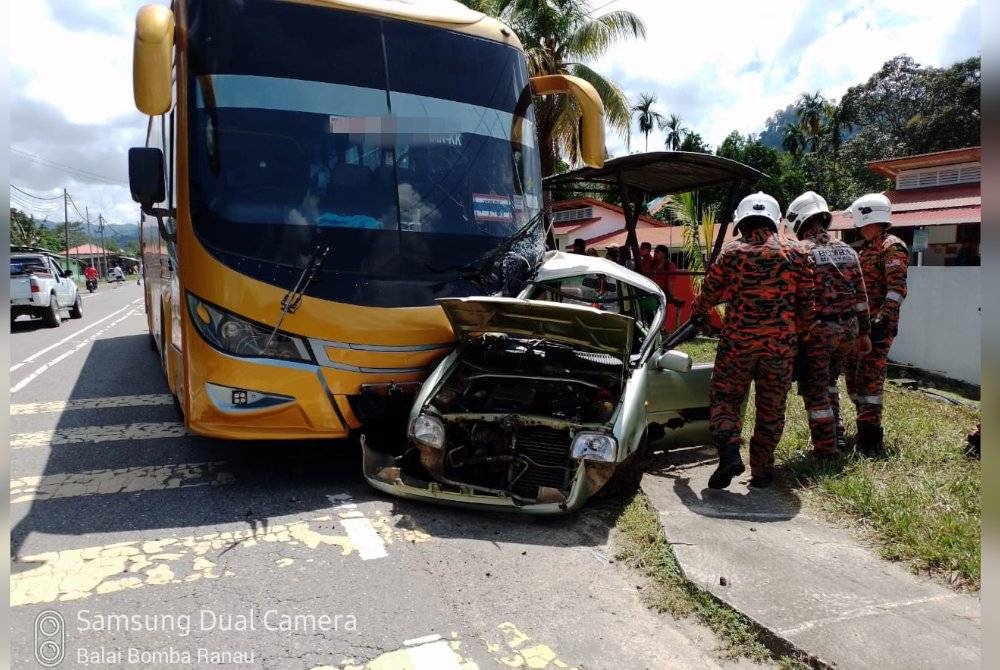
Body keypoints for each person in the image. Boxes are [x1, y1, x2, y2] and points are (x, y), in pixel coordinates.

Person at [691, 192, 816, 489]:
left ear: (741, 220)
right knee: (771, 407)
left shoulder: (732, 253)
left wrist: (701, 316)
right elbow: (807, 305)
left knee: (725, 399)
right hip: (781, 347)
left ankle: (730, 452)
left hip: (738, 345)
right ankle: (761, 471)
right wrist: (800, 344)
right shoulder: (798, 253)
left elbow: (707, 296)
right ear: (775, 219)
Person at [785, 191, 871, 457]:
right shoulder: (848, 250)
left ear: (799, 220)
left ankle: (825, 449)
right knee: (830, 382)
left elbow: (796, 299)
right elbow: (861, 297)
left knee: (815, 389)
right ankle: (837, 435)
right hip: (849, 329)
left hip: (818, 332)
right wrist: (864, 333)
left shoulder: (800, 251)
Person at [843, 193, 908, 457]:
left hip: (878, 329)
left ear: (868, 216)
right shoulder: (868, 247)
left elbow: (897, 289)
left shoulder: (892, 247)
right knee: (853, 377)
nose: (856, 225)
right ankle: (863, 423)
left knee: (870, 381)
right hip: (859, 327)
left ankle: (870, 437)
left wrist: (883, 318)